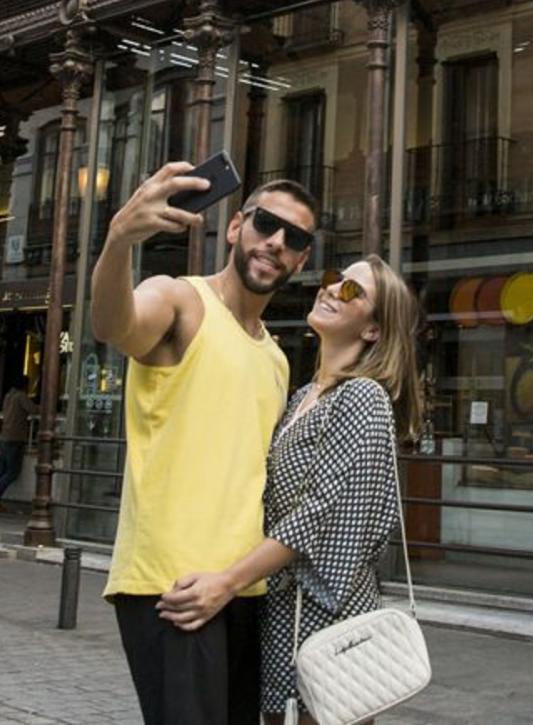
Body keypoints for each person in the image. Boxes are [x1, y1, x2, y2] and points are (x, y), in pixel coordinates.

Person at [92, 164, 318, 725]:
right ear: (237, 225)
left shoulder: (276, 357)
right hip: (177, 586)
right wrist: (120, 236)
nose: (276, 243)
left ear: (302, 261)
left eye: (295, 239)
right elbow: (114, 324)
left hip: (244, 588)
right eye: (267, 224)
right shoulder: (181, 300)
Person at [160, 256, 425, 724]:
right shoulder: (304, 396)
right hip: (284, 605)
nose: (331, 289)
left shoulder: (363, 397)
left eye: (351, 291)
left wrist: (226, 582)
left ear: (373, 331)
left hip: (330, 608)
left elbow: (314, 512)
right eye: (333, 279)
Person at [0, 374, 37, 514]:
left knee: (0, 471)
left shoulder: (8, 396)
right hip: (15, 438)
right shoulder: (21, 396)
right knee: (12, 472)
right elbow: (33, 410)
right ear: (24, 385)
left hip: (4, 437)